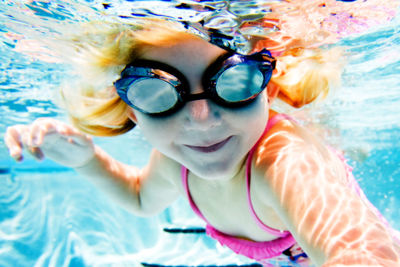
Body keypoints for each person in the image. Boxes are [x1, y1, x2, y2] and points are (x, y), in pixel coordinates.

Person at [4, 19, 400, 266]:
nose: (201, 118)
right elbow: (141, 198)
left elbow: (365, 254)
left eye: (234, 82)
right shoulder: (175, 160)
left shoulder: (282, 161)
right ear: (129, 110)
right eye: (156, 93)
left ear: (267, 88)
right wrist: (86, 161)